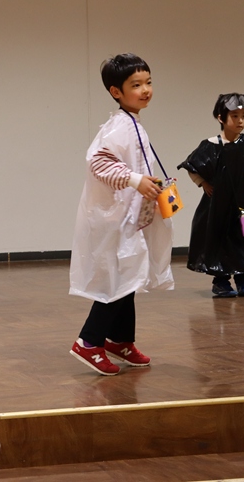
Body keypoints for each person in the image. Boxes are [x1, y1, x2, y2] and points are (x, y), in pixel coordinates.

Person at [69, 55, 174, 376]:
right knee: (116, 279)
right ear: (116, 91)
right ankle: (88, 342)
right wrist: (134, 179)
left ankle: (120, 340)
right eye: (136, 85)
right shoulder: (118, 125)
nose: (146, 90)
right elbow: (98, 162)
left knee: (130, 277)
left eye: (148, 82)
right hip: (115, 219)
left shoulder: (132, 123)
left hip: (130, 217)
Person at [178, 93, 244, 298]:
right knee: (218, 239)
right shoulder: (210, 145)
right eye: (234, 116)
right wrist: (203, 183)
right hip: (216, 205)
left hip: (243, 203)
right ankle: (221, 282)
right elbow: (191, 166)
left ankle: (243, 279)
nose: (240, 121)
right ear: (220, 118)